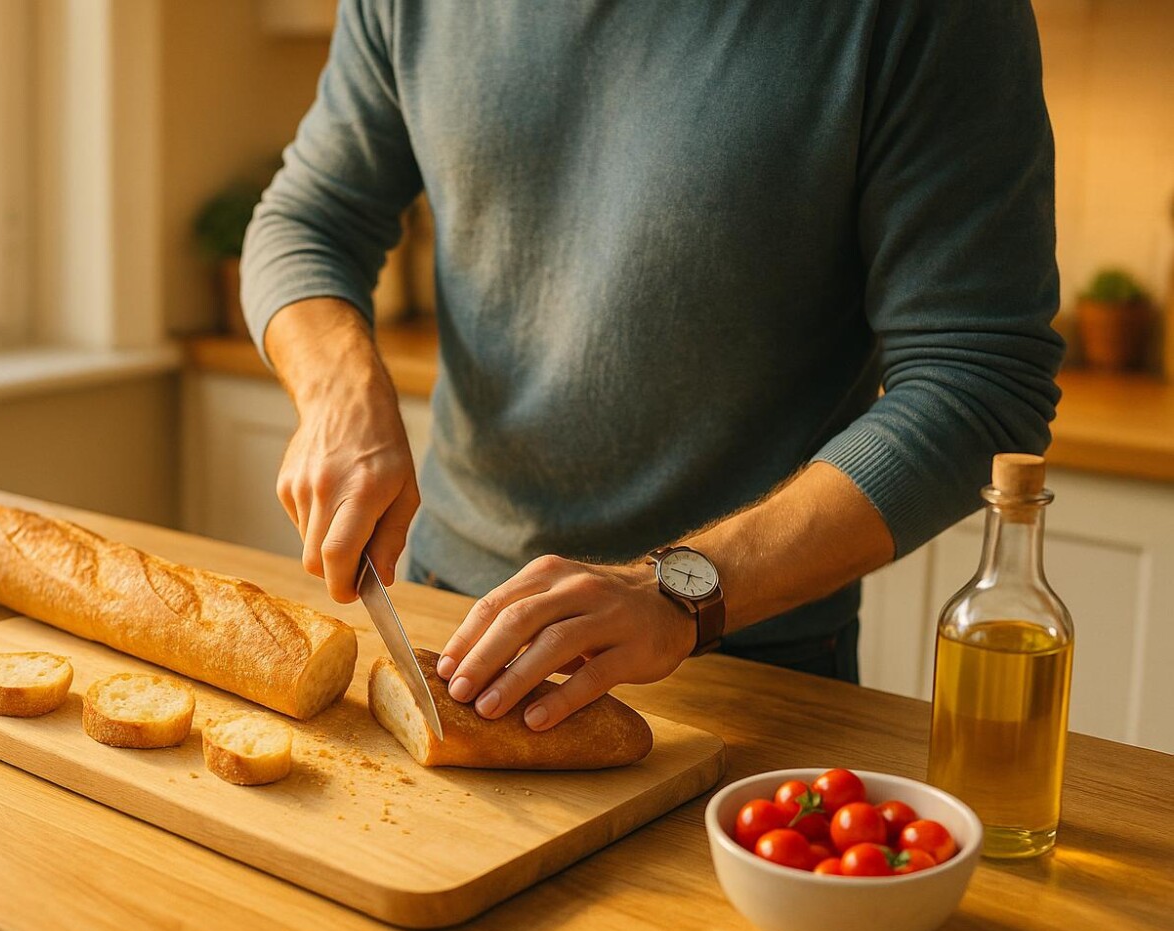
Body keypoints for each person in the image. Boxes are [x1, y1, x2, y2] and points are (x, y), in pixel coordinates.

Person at [239, 2, 1062, 732]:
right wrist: (338, 390)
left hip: (741, 663)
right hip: (443, 612)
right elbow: (307, 217)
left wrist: (680, 592)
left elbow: (979, 380)